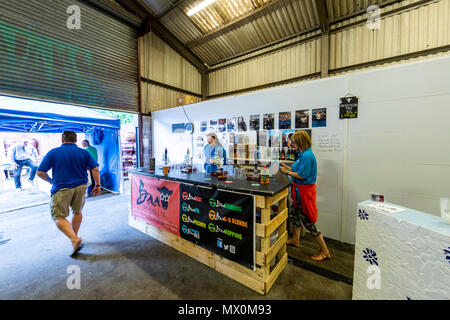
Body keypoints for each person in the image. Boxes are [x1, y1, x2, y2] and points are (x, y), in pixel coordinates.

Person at [37, 131, 101, 257]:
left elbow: (40, 172)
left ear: (62, 139)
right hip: (81, 187)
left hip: (61, 189)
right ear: (76, 140)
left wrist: (51, 181)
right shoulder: (84, 152)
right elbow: (95, 169)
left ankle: (74, 238)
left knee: (58, 217)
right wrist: (97, 185)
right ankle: (75, 237)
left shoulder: (53, 152)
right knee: (77, 212)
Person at [280, 130, 331, 261]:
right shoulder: (302, 154)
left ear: (301, 142)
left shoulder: (307, 156)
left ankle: (324, 251)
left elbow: (302, 175)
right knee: (293, 214)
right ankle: (296, 240)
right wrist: (287, 167)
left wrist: (287, 172)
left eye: (294, 142)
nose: (292, 144)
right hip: (299, 193)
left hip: (304, 194)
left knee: (309, 222)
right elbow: (298, 169)